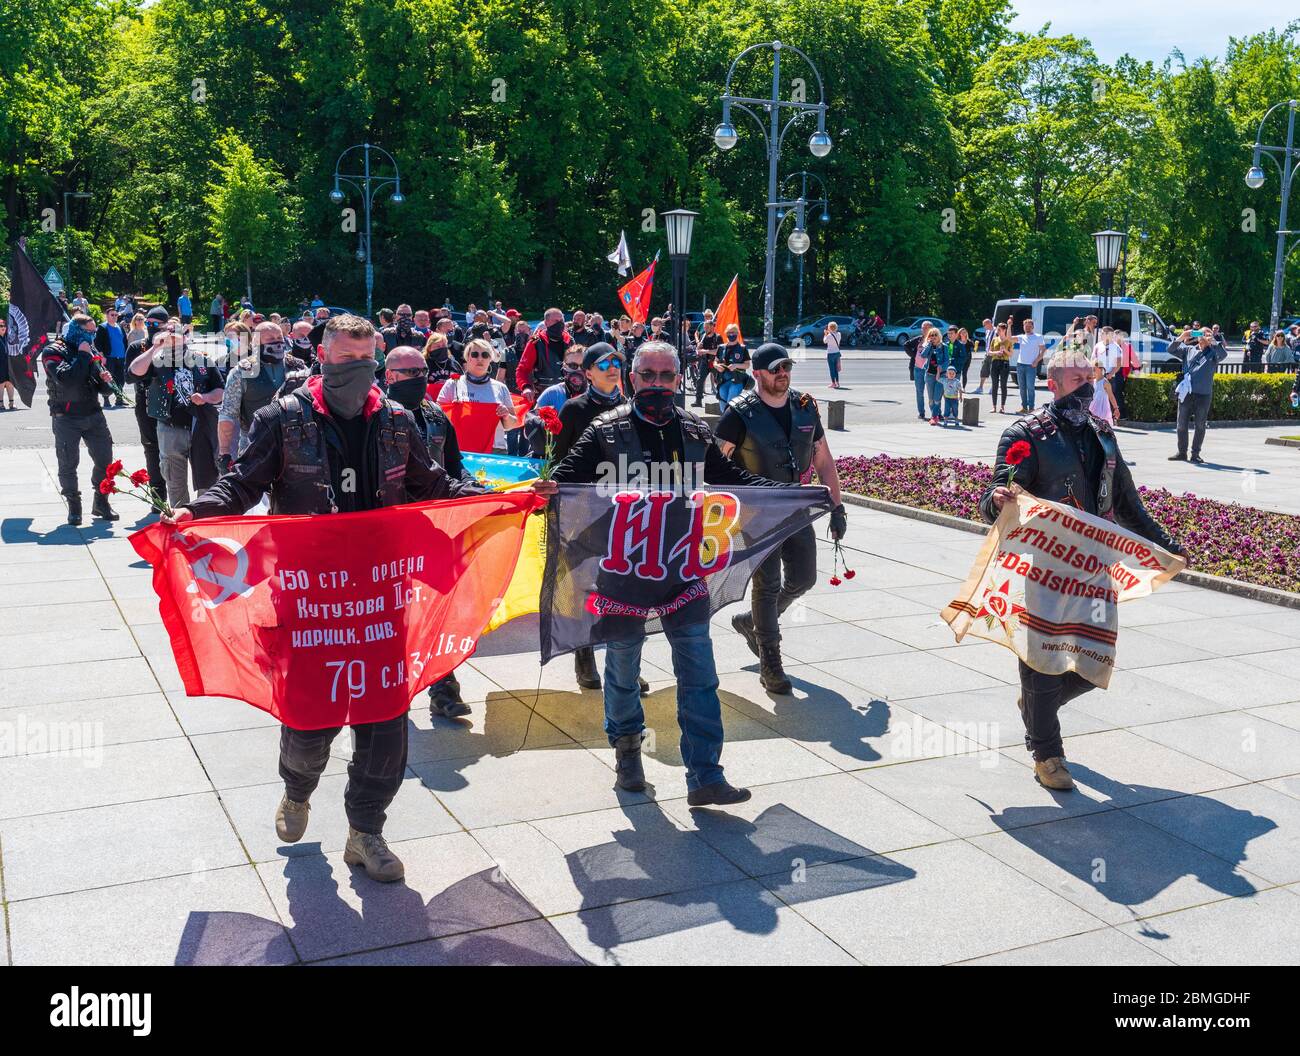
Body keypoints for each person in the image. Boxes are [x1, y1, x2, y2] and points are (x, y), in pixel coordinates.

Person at [165, 316, 522, 883]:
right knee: (310, 723)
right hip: (309, 595)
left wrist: (507, 499)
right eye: (345, 361)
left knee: (385, 722)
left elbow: (435, 487)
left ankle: (366, 831)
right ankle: (297, 789)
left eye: (366, 362)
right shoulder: (282, 419)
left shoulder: (400, 422)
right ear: (323, 357)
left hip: (380, 596)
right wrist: (198, 509)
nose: (357, 373)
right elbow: (243, 484)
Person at [539, 342, 807, 807]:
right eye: (649, 376)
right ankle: (628, 755)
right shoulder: (604, 432)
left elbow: (734, 480)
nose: (658, 385)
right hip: (622, 577)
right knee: (623, 672)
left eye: (667, 377)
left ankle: (705, 774)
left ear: (679, 378)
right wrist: (548, 490)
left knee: (700, 675)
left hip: (684, 573)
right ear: (633, 378)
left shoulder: (693, 431)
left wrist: (795, 495)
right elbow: (567, 484)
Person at [980, 348, 1186, 790]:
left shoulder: (1102, 432)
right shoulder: (1026, 434)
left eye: (1089, 378)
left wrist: (1166, 545)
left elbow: (1127, 501)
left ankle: (1037, 706)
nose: (1087, 386)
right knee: (1041, 662)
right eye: (1076, 380)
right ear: (1052, 384)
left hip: (1095, 568)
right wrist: (997, 499)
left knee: (1094, 662)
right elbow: (996, 491)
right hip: (1045, 571)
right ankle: (1047, 753)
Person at [715, 344, 846, 692]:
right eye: (775, 369)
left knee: (804, 579)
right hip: (756, 512)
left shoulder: (804, 408)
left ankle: (751, 623)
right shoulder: (738, 413)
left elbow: (823, 460)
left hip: (795, 508)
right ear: (757, 373)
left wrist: (836, 506)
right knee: (767, 582)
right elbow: (714, 466)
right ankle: (770, 661)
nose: (782, 373)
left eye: (786, 366)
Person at [383, 345, 481, 719]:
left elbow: (456, 466)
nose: (419, 378)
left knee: (440, 606)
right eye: (410, 372)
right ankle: (392, 685)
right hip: (390, 526)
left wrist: (478, 492)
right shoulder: (376, 414)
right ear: (389, 375)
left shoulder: (437, 415)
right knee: (395, 612)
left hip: (437, 524)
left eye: (422, 370)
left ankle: (443, 688)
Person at [128, 326, 224, 506]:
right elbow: (134, 372)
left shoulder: (202, 359)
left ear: (186, 337)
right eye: (168, 336)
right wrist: (155, 347)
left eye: (176, 335)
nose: (172, 339)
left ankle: (204, 518)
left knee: (208, 478)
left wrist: (205, 398)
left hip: (201, 426)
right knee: (175, 481)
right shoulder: (157, 361)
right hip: (170, 428)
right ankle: (180, 523)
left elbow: (220, 390)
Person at [42, 314, 119, 524]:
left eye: (94, 332)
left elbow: (102, 389)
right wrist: (84, 356)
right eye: (88, 332)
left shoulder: (89, 350)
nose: (92, 336)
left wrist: (105, 381)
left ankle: (101, 501)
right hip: (66, 417)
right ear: (77, 331)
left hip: (93, 414)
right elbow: (68, 380)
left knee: (105, 459)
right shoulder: (52, 351)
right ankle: (74, 505)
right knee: (68, 463)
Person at [217, 321, 309, 471]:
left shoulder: (298, 367)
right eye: (270, 339)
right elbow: (227, 414)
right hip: (254, 446)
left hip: (296, 445)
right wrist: (224, 453)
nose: (277, 342)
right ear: (256, 342)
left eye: (279, 337)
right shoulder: (241, 372)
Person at [437, 337, 520, 449]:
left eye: (485, 355)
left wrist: (506, 416)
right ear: (468, 358)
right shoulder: (452, 384)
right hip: (459, 449)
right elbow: (437, 418)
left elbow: (511, 425)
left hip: (494, 449)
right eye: (475, 354)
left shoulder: (501, 388)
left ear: (490, 359)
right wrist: (452, 411)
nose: (480, 359)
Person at [1167, 328, 1227, 464]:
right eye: (1200, 333)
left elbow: (1223, 355)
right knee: (1181, 424)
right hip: (1186, 393)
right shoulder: (1188, 350)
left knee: (1200, 425)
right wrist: (1182, 336)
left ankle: (1195, 453)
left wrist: (1212, 341)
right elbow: (1170, 350)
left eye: (1205, 334)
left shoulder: (1213, 353)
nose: (1202, 336)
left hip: (1203, 394)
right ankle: (1182, 452)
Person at [517, 308, 572, 397]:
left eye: (561, 320)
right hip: (543, 394)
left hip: (568, 393)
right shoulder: (535, 342)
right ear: (546, 323)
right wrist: (526, 387)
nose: (559, 323)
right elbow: (522, 369)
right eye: (556, 321)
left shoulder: (569, 340)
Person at [93, 307, 129, 408]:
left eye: (116, 315)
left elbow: (125, 342)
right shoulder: (102, 327)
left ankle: (119, 399)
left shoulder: (120, 327)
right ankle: (106, 399)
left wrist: (126, 355)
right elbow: (97, 343)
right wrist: (102, 356)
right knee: (108, 379)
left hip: (121, 357)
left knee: (120, 379)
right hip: (108, 357)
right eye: (112, 315)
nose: (114, 317)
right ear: (107, 316)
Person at [1016, 318, 1046, 413]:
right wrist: (1009, 325)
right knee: (1022, 387)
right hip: (1020, 365)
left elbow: (1043, 350)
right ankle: (1024, 407)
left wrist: (1036, 361)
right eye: (1026, 326)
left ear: (1032, 327)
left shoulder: (1038, 337)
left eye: (1029, 326)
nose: (1027, 327)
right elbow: (1008, 338)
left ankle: (1031, 408)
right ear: (1023, 327)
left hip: (1031, 366)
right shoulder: (1021, 337)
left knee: (1030, 387)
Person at [715, 324, 750, 405]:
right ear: (726, 334)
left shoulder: (742, 348)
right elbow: (715, 361)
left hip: (737, 380)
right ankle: (724, 417)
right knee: (723, 404)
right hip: (723, 380)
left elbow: (747, 365)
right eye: (729, 332)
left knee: (731, 404)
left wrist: (736, 365)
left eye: (733, 332)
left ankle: (731, 417)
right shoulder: (721, 348)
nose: (731, 334)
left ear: (737, 333)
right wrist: (717, 366)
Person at [987, 321, 1013, 413]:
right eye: (997, 329)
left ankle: (1002, 406)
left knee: (1003, 385)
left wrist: (1005, 350)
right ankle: (994, 406)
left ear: (1004, 330)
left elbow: (1011, 354)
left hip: (1004, 363)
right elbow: (989, 352)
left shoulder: (1009, 341)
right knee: (994, 385)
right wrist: (996, 352)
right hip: (995, 362)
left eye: (999, 329)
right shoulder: (994, 339)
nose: (997, 331)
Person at [693, 318, 720, 406]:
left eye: (707, 327)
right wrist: (698, 348)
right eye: (704, 327)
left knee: (719, 381)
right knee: (700, 380)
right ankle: (698, 401)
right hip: (704, 361)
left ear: (712, 327)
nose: (705, 329)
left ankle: (721, 401)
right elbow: (698, 351)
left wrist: (705, 351)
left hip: (715, 362)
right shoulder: (703, 336)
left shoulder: (718, 337)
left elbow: (718, 351)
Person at [972, 318, 993, 394]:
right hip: (987, 354)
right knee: (983, 370)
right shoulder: (987, 332)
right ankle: (980, 387)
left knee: (993, 372)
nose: (984, 326)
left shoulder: (996, 331)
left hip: (993, 354)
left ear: (989, 323)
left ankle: (993, 387)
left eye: (985, 325)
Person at [0, 317, 16, 411]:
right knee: (1, 384)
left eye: (4, 326)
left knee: (10, 383)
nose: (3, 327)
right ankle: (1, 404)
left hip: (9, 365)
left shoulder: (8, 337)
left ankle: (11, 403)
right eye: (1, 326)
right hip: (0, 365)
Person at [824, 320, 843, 388]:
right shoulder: (839, 334)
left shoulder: (829, 335)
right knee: (836, 368)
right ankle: (837, 383)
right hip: (837, 353)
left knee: (832, 369)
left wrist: (825, 334)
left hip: (830, 354)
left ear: (829, 328)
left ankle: (833, 383)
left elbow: (825, 341)